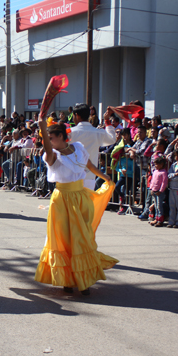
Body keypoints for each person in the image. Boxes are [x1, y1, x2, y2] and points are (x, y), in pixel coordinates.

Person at [34, 115, 118, 295]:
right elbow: (48, 150)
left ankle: (84, 281)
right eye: (47, 139)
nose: (48, 141)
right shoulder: (51, 155)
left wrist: (104, 177)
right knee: (64, 239)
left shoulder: (78, 148)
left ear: (63, 136)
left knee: (82, 237)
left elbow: (89, 165)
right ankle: (67, 280)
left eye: (52, 137)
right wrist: (42, 127)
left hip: (80, 197)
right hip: (61, 199)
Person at [69, 104, 116, 190]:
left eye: (73, 116)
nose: (73, 119)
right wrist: (107, 121)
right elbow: (112, 139)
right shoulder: (97, 132)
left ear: (77, 115)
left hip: (72, 177)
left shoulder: (69, 132)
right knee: (87, 203)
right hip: (90, 177)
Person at [149, 156, 168, 227]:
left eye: (157, 164)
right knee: (156, 206)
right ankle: (156, 218)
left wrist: (161, 190)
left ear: (162, 164)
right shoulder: (155, 171)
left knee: (160, 206)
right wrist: (151, 188)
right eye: (155, 164)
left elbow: (164, 182)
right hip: (154, 190)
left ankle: (160, 220)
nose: (155, 166)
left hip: (159, 192)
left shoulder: (163, 172)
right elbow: (152, 181)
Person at [167, 150, 178, 228]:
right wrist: (175, 174)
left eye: (177, 155)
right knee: (172, 205)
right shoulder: (173, 165)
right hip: (172, 188)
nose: (176, 157)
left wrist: (173, 177)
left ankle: (177, 222)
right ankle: (171, 221)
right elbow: (169, 175)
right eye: (175, 156)